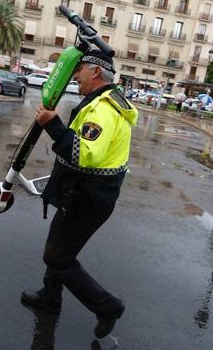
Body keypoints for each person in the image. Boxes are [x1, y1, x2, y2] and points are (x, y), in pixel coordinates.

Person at [23, 49, 138, 339]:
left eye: (80, 69)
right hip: (81, 193)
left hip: (87, 198)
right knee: (59, 245)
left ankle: (107, 306)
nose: (75, 75)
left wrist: (52, 123)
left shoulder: (103, 109)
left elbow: (82, 154)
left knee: (58, 257)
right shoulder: (105, 100)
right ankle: (50, 298)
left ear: (96, 72)